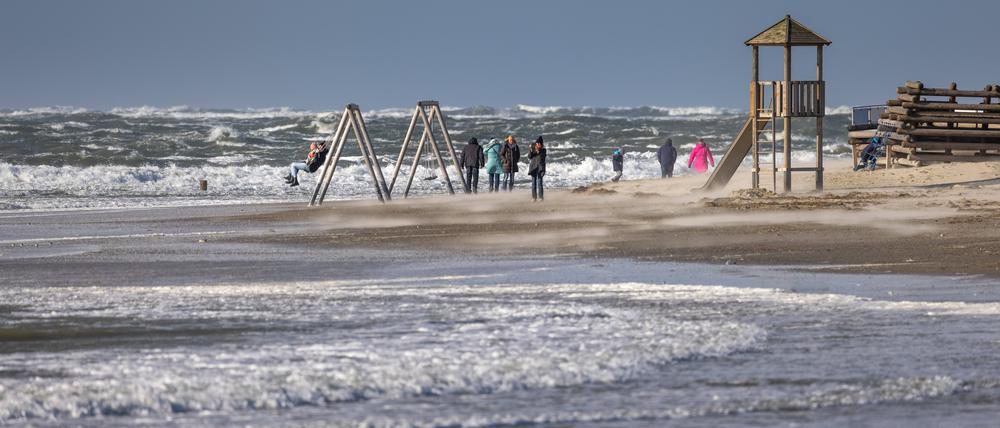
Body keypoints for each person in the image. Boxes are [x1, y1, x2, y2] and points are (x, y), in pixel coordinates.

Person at [527, 136, 546, 201]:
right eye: (537, 143)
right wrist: (531, 150)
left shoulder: (544, 150)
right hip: (533, 167)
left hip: (540, 168)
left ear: (541, 144)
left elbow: (542, 157)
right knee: (533, 183)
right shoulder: (533, 149)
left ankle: (541, 197)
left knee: (540, 183)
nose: (537, 145)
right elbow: (529, 157)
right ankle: (534, 197)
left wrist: (538, 150)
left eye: (539, 144)